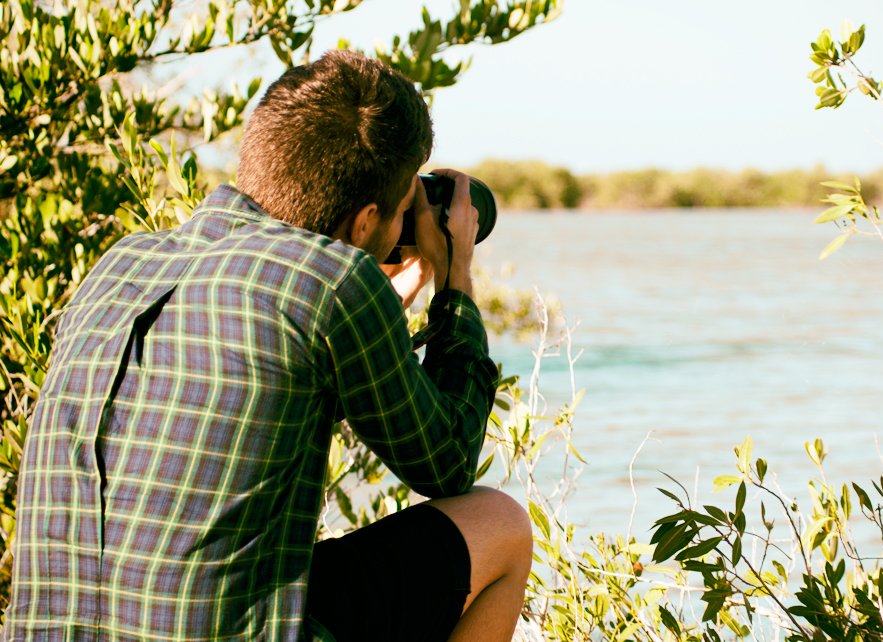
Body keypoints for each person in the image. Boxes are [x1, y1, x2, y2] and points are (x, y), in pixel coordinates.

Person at [4, 49, 532, 641]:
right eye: (406, 209)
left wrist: (380, 306)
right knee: (501, 524)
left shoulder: (122, 263)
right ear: (365, 222)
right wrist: (454, 278)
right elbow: (448, 462)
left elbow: (259, 391)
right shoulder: (334, 282)